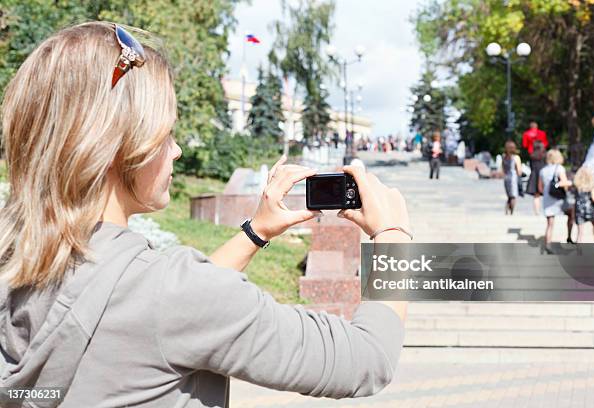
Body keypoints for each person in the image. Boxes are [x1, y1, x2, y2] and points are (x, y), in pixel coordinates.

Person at [0, 22, 410, 408]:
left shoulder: (15, 260)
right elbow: (367, 359)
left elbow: (158, 306)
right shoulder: (173, 297)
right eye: (165, 134)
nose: (176, 150)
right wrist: (394, 236)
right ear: (118, 147)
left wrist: (256, 232)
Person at [538, 149, 573, 253]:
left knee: (550, 223)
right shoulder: (560, 169)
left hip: (547, 198)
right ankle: (569, 236)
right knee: (571, 214)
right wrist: (570, 182)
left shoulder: (542, 170)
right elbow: (564, 182)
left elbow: (540, 188)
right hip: (559, 198)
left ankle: (548, 245)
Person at [573, 166, 594, 251]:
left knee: (580, 232)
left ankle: (578, 250)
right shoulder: (591, 186)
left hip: (579, 210)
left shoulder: (577, 186)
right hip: (589, 209)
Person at [525, 139, 547, 214]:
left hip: (534, 175)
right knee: (546, 194)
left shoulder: (532, 156)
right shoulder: (544, 155)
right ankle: (545, 210)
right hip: (543, 175)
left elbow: (531, 166)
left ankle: (536, 212)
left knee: (536, 196)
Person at [501, 140, 522, 215]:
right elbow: (519, 171)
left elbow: (502, 168)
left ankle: (507, 209)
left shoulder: (504, 157)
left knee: (509, 196)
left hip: (506, 177)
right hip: (513, 177)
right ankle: (511, 211)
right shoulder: (516, 157)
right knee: (513, 196)